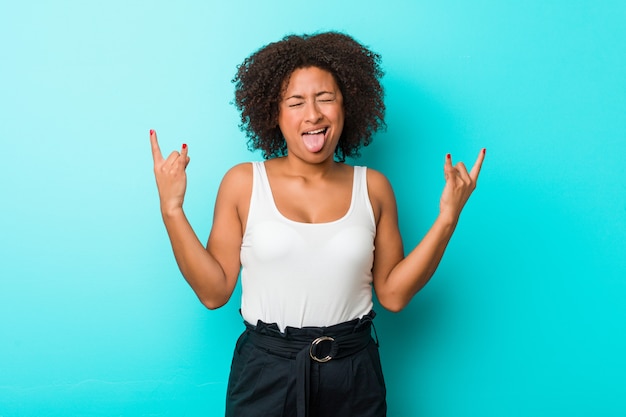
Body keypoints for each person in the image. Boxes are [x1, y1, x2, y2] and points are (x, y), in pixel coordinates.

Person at [149, 31, 484, 417]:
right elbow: (213, 292)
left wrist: (448, 218)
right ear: (274, 114)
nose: (313, 114)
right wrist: (172, 209)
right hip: (265, 372)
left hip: (354, 372)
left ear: (347, 106)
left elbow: (393, 295)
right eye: (296, 102)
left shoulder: (373, 187)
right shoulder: (243, 182)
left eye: (326, 98)